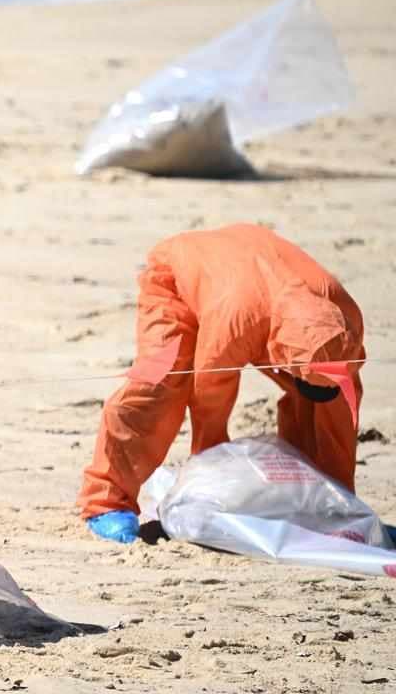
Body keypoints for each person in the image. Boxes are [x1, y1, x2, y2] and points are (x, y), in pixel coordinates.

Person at [78, 224, 365, 543]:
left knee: (320, 401)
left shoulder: (344, 315)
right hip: (181, 278)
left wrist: (341, 502)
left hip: (257, 280)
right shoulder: (239, 319)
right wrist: (210, 479)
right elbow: (209, 393)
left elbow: (341, 407)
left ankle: (315, 501)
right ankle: (106, 501)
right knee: (159, 384)